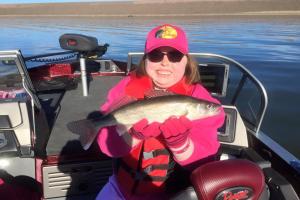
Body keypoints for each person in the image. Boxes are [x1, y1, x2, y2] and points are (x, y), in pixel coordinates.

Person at [96, 24, 225, 200]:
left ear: (186, 60)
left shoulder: (200, 99)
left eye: (175, 55)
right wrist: (133, 135)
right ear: (145, 59)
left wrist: (180, 142)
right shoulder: (125, 89)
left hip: (172, 194)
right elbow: (108, 146)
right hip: (121, 188)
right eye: (156, 55)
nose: (165, 62)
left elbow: (204, 163)